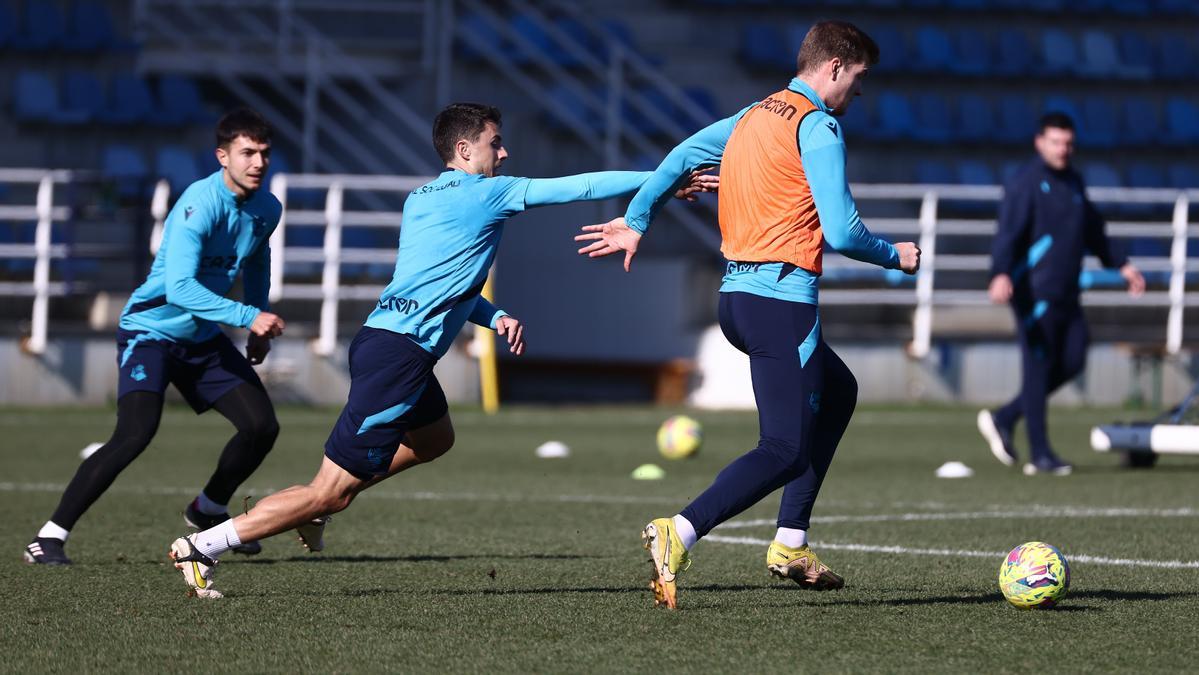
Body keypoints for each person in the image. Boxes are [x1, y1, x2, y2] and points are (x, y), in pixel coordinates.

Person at [167, 102, 716, 598]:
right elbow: (580, 186)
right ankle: (202, 547)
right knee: (326, 491)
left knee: (435, 439)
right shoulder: (489, 193)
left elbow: (438, 285)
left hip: (386, 344)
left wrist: (494, 314)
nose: (503, 152)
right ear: (464, 149)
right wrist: (665, 180)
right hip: (399, 357)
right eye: (494, 142)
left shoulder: (421, 198)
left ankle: (322, 504)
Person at [576, 21, 921, 609]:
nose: (859, 92)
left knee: (837, 392)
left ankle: (790, 541)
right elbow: (842, 231)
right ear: (834, 67)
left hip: (738, 301)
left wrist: (637, 218)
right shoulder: (818, 125)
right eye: (858, 78)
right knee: (783, 448)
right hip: (781, 305)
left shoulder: (754, 115)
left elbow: (682, 156)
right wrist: (897, 256)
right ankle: (678, 532)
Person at [24, 108, 289, 565]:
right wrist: (247, 315)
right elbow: (181, 288)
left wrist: (260, 319)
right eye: (247, 152)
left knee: (261, 426)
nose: (258, 162)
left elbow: (258, 262)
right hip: (150, 333)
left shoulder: (267, 207)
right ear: (222, 156)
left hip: (201, 337)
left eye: (264, 153)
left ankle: (208, 510)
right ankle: (48, 537)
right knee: (134, 433)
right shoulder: (198, 205)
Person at [977, 112, 1144, 476]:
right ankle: (1040, 455)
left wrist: (1122, 265)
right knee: (1037, 371)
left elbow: (1094, 230)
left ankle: (1005, 417)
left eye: (1068, 143)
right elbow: (1008, 235)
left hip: (1068, 292)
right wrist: (1000, 273)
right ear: (1040, 142)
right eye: (1056, 142)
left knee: (1073, 360)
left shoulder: (1073, 182)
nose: (1063, 149)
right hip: (1034, 293)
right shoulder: (1025, 184)